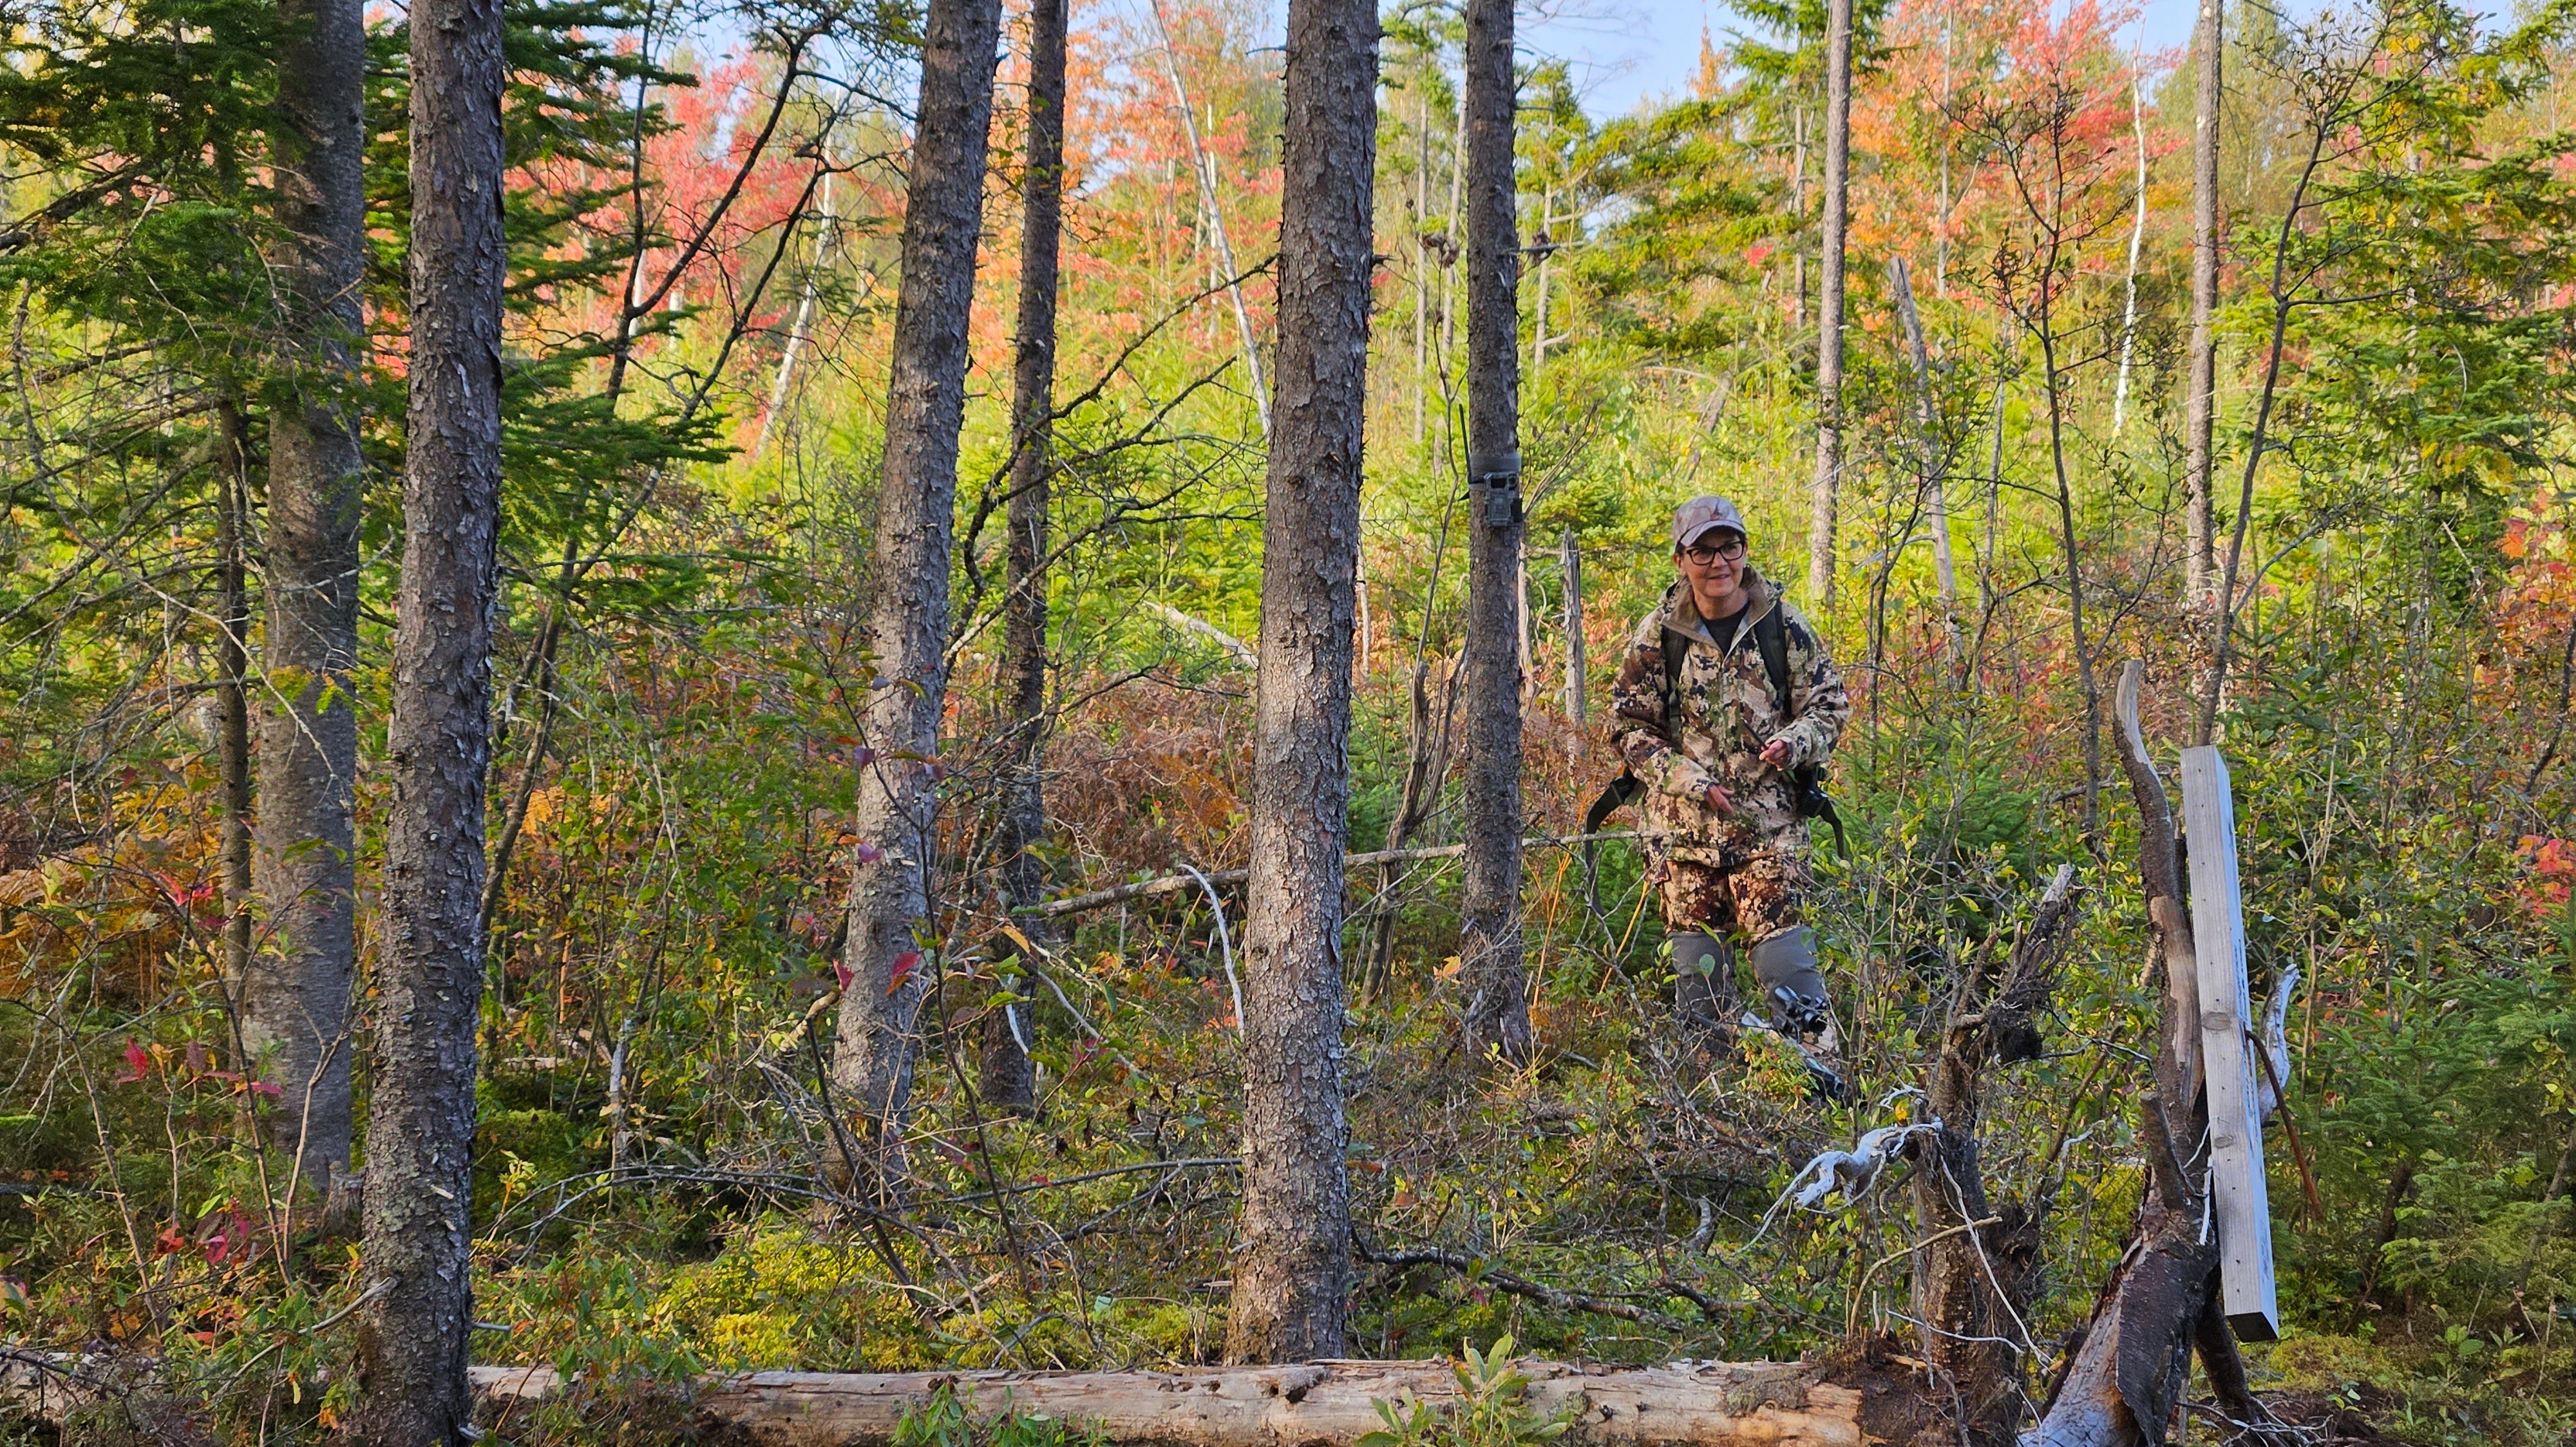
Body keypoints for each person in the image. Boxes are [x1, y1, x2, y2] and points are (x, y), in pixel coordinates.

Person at [1607, 495, 1852, 1093]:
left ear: (1744, 550)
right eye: (1703, 550)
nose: (1719, 562)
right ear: (1681, 558)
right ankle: (1720, 1121)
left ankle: (1824, 1105)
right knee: (1702, 997)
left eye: (1729, 547)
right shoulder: (1658, 633)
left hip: (1770, 836)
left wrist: (1794, 744)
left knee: (1791, 978)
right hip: (1683, 843)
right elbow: (1626, 726)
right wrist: (1689, 779)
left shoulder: (1782, 626)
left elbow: (1830, 705)